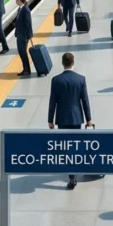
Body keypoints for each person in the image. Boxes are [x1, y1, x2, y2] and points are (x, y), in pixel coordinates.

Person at [48, 52, 92, 189]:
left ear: (63, 63)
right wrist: (89, 119)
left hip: (61, 118)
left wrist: (50, 119)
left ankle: (72, 176)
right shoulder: (81, 79)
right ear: (73, 62)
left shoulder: (56, 80)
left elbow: (52, 101)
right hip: (77, 118)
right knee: (75, 146)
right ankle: (74, 171)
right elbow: (85, 100)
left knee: (65, 147)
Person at [14, 0, 34, 77]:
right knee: (21, 52)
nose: (16, 1)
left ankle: (27, 70)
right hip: (20, 35)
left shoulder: (25, 10)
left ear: (21, 0)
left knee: (23, 52)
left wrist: (29, 36)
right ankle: (25, 69)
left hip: (24, 36)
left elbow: (28, 23)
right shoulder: (20, 9)